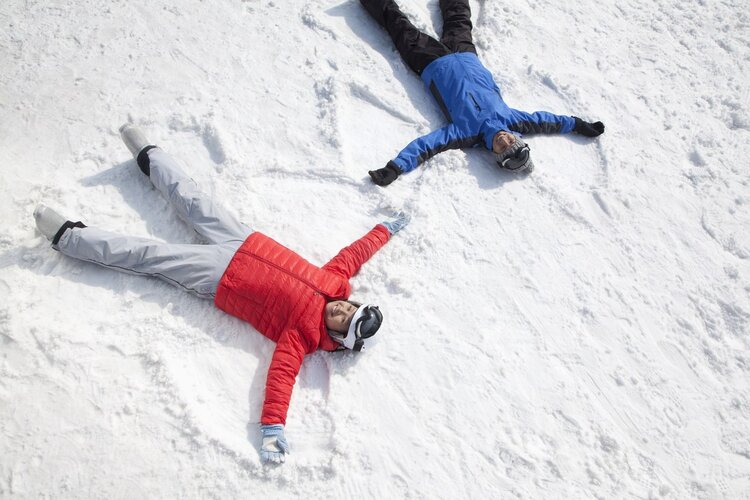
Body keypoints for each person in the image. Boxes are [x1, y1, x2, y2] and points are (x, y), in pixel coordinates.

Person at [33, 124, 410, 464]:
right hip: (243, 238)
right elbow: (353, 254)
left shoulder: (301, 337)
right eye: (351, 308)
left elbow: (280, 378)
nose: (342, 309)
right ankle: (150, 156)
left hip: (219, 278)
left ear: (338, 338)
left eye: (343, 320)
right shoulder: (334, 282)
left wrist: (273, 427)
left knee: (150, 256)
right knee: (192, 198)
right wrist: (384, 230)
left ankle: (69, 236)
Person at [361, 0, 606, 186]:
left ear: (495, 155)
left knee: (399, 26)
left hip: (430, 63)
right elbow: (548, 122)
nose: (504, 141)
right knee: (458, 16)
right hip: (466, 55)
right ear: (516, 137)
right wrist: (579, 124)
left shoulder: (467, 134)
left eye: (502, 148)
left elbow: (428, 145)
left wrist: (395, 168)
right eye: (511, 142)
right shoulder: (514, 120)